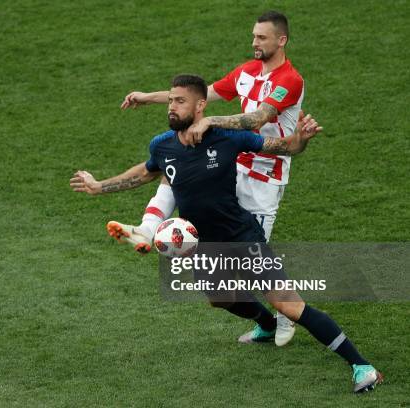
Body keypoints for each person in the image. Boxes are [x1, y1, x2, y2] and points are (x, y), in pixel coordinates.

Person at [70, 74, 382, 393]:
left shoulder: (228, 138)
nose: (172, 108)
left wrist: (301, 140)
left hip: (242, 238)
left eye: (180, 101)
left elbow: (283, 148)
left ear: (200, 105)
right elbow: (144, 173)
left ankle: (362, 366)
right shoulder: (162, 145)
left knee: (290, 305)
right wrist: (99, 186)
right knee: (220, 298)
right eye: (171, 101)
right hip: (204, 245)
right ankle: (266, 324)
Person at [111, 10, 303, 346]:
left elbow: (258, 117)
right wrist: (149, 97)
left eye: (262, 37)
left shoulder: (290, 80)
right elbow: (202, 96)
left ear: (281, 40)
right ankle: (148, 225)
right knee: (178, 171)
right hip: (234, 166)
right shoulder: (246, 72)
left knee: (254, 262)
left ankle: (288, 314)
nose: (254, 42)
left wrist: (212, 122)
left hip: (264, 178)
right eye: (254, 36)